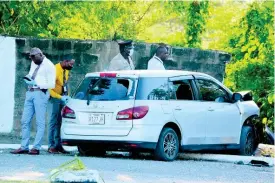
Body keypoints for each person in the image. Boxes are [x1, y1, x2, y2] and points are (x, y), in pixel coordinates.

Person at [11, 47, 56, 155]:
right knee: (24, 121)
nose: (33, 60)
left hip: (41, 93)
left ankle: (36, 147)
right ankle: (24, 146)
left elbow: (51, 84)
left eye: (34, 57)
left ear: (40, 54)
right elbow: (32, 74)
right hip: (30, 92)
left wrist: (36, 84)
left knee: (40, 122)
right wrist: (29, 79)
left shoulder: (49, 65)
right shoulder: (33, 62)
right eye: (31, 57)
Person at [48, 56, 75, 154]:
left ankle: (58, 145)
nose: (72, 66)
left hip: (63, 97)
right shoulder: (55, 70)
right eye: (70, 64)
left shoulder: (66, 70)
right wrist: (59, 97)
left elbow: (65, 84)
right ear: (64, 61)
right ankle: (51, 145)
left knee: (60, 122)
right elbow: (49, 88)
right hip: (55, 97)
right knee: (53, 121)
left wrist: (67, 96)